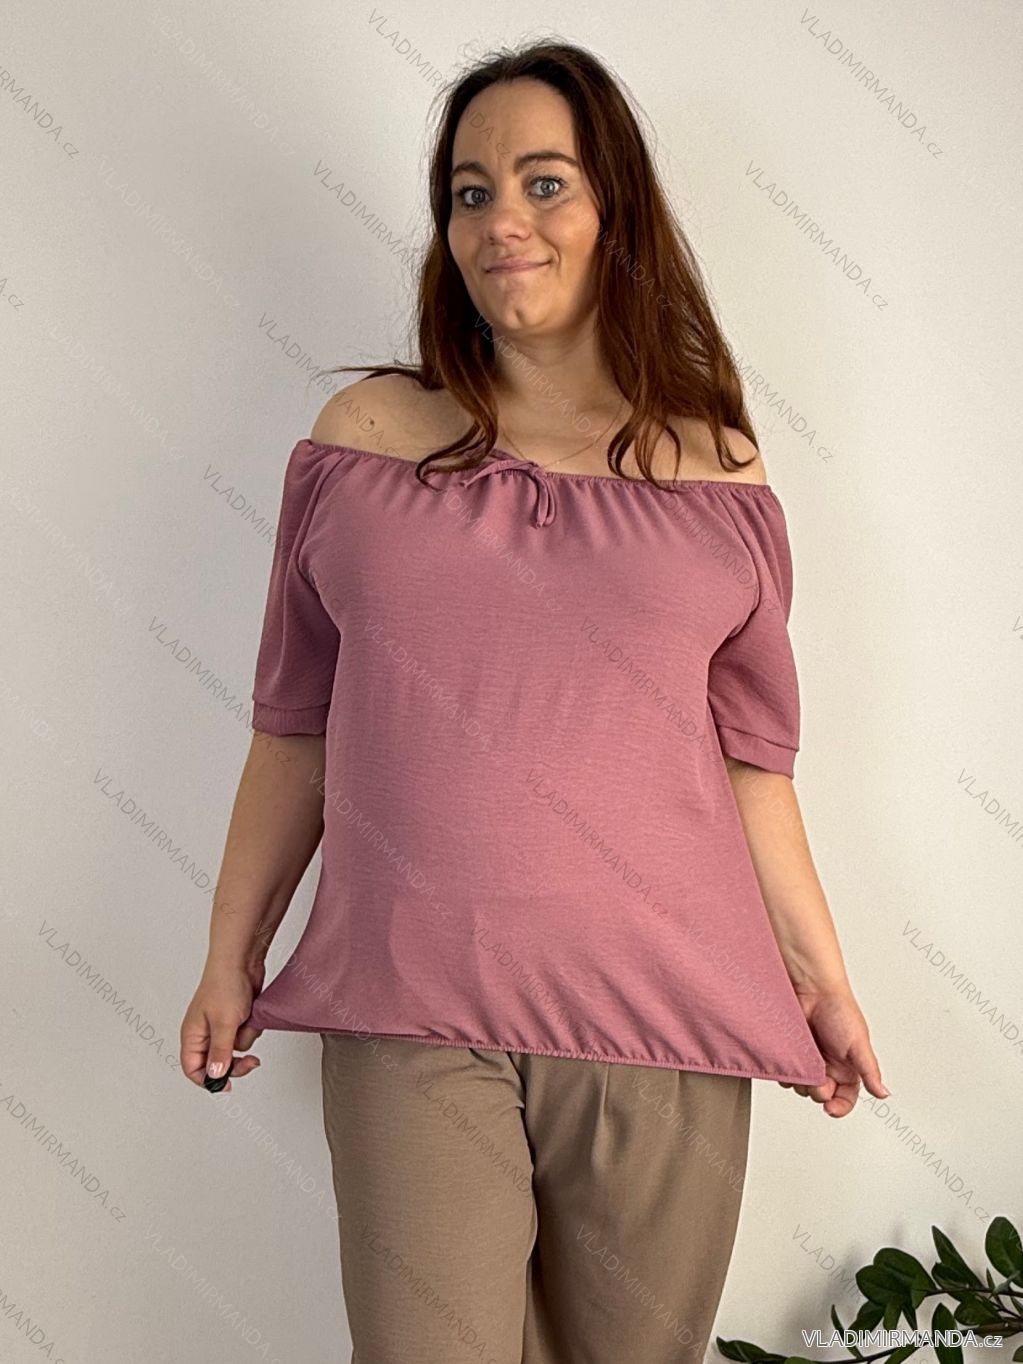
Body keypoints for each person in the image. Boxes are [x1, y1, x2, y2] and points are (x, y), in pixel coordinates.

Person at [180, 39, 888, 1364]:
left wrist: (820, 978)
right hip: (410, 1011)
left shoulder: (715, 467)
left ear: (615, 208)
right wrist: (233, 952)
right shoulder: (362, 441)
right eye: (471, 192)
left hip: (666, 1023)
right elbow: (295, 725)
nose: (502, 220)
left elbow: (750, 763)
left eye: (544, 183)